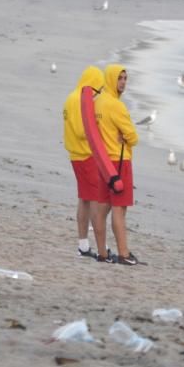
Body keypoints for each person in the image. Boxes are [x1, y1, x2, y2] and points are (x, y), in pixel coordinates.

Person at [63, 65, 115, 262]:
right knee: (96, 201)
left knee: (84, 199)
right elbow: (81, 130)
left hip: (76, 155)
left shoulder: (72, 97)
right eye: (98, 89)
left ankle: (83, 245)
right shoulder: (79, 100)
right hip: (85, 155)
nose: (98, 94)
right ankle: (103, 246)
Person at [94, 63, 140, 265]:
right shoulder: (116, 105)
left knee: (103, 208)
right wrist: (125, 136)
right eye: (119, 78)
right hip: (119, 160)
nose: (122, 82)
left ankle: (102, 252)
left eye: (125, 78)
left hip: (103, 161)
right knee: (119, 209)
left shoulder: (98, 102)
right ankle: (123, 253)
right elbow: (133, 137)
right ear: (112, 79)